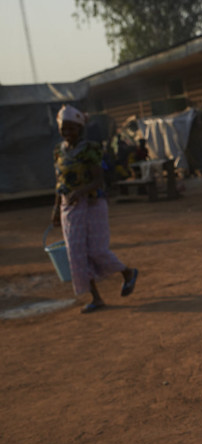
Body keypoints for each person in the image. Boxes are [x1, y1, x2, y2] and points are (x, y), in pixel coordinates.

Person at [51, 105, 138, 314]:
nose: (67, 133)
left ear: (80, 129)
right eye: (64, 128)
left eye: (71, 128)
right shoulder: (58, 151)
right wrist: (55, 209)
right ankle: (96, 298)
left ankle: (127, 273)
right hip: (69, 208)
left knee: (97, 250)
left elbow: (98, 180)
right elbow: (59, 182)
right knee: (77, 254)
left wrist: (79, 191)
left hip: (92, 205)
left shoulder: (90, 149)